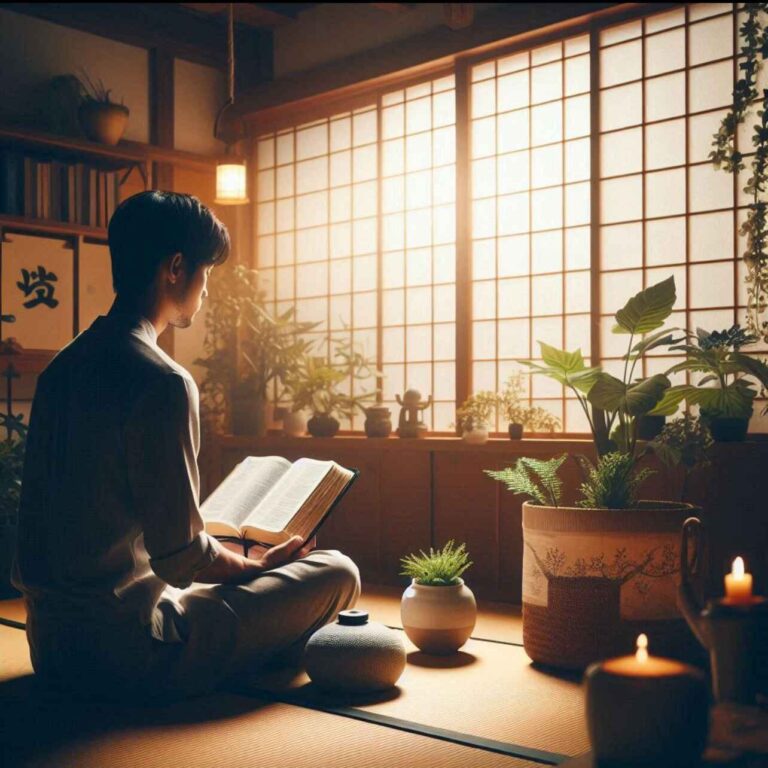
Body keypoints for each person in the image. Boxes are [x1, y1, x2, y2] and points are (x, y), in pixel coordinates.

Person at [11, 191, 360, 703]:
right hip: (129, 650)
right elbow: (179, 559)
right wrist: (256, 566)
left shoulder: (61, 369)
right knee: (337, 572)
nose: (207, 288)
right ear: (176, 268)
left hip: (51, 645)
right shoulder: (161, 381)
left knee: (221, 583)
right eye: (207, 272)